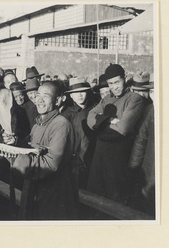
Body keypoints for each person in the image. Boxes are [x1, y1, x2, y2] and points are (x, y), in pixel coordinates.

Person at [5, 81, 79, 220]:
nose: (39, 99)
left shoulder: (61, 124)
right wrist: (12, 144)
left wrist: (17, 158)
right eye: (38, 95)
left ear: (57, 100)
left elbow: (51, 164)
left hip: (55, 194)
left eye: (45, 96)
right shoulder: (38, 124)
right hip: (36, 191)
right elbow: (28, 149)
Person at [87, 64, 144, 203]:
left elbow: (123, 128)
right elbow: (90, 118)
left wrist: (100, 124)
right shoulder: (106, 99)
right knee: (95, 198)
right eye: (111, 84)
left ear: (125, 79)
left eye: (117, 82)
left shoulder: (134, 99)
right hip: (99, 158)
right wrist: (110, 120)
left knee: (115, 201)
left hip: (118, 159)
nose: (114, 87)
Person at [62, 76, 98, 188]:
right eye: (76, 93)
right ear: (71, 96)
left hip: (93, 157)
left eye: (82, 91)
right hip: (75, 161)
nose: (80, 95)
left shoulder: (95, 109)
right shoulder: (67, 114)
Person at [128, 74, 155, 216]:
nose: (154, 96)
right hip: (150, 172)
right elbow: (141, 141)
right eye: (152, 92)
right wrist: (134, 168)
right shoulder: (151, 110)